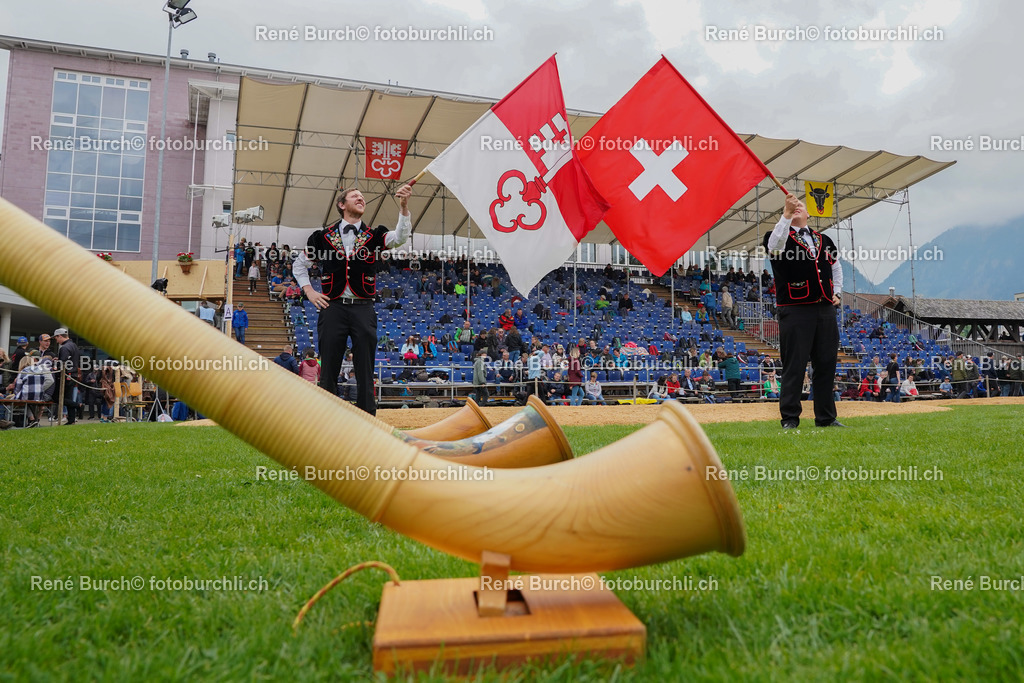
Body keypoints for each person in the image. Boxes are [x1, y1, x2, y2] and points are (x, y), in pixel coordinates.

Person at [292, 184, 412, 414]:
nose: (361, 199)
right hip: (332, 307)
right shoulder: (322, 237)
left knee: (365, 368)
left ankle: (368, 420)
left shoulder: (374, 235)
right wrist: (309, 291)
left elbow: (399, 238)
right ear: (341, 204)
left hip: (363, 308)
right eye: (355, 196)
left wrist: (404, 207)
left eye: (362, 197)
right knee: (328, 369)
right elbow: (299, 265)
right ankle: (327, 421)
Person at [764, 192, 844, 428]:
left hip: (825, 309)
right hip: (795, 308)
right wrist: (786, 214)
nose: (798, 207)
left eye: (801, 205)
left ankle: (826, 418)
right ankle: (790, 418)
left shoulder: (824, 239)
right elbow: (774, 247)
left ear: (810, 214)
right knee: (794, 365)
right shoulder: (778, 235)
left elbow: (836, 268)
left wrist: (837, 292)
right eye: (794, 206)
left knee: (826, 364)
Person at [53, 328, 81, 425]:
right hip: (72, 374)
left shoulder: (64, 348)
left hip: (65, 375)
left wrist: (56, 367)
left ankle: (77, 405)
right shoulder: (74, 346)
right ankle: (71, 420)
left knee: (57, 398)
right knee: (68, 397)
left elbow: (63, 364)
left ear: (60, 336)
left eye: (56, 338)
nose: (56, 341)